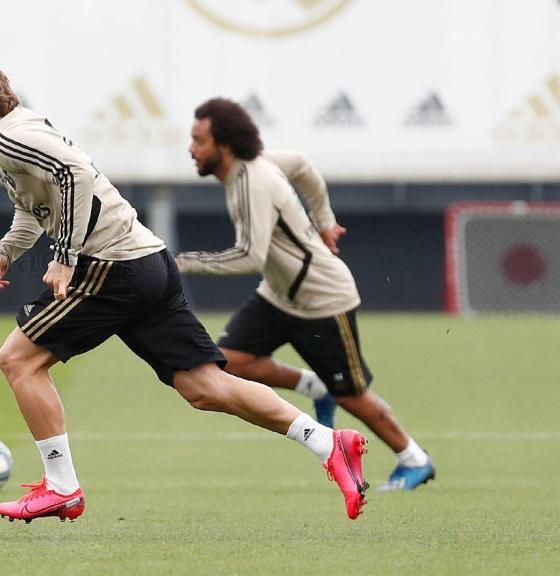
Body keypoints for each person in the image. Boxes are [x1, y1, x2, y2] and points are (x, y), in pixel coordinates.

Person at [0, 53, 369, 522]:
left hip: (111, 266)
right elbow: (38, 206)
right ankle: (327, 442)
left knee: (18, 360)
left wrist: (65, 257)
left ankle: (62, 487)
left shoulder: (9, 136)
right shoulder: (10, 137)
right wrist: (5, 251)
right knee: (205, 387)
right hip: (145, 261)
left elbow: (71, 175)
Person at [175, 97, 436, 492]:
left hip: (322, 301)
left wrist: (182, 261)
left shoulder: (251, 183)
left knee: (352, 395)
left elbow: (250, 256)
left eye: (199, 140)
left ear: (224, 146)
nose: (191, 149)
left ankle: (414, 459)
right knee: (229, 363)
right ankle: (313, 387)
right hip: (278, 295)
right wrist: (324, 221)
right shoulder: (253, 167)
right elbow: (300, 162)